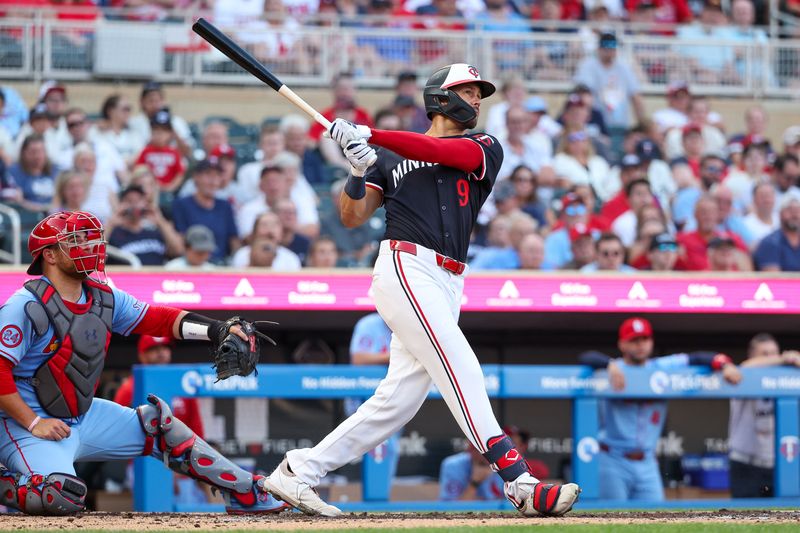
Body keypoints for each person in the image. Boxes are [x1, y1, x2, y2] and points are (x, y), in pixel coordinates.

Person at [262, 63, 580, 518]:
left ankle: (298, 472)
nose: (475, 100)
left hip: (449, 280)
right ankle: (521, 483)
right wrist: (357, 167)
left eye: (478, 94)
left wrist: (371, 133)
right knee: (460, 363)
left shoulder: (484, 145)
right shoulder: (388, 158)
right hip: (406, 266)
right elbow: (353, 215)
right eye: (467, 91)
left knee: (397, 402)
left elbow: (439, 151)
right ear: (439, 96)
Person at [0, 211, 286, 515]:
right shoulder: (25, 304)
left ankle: (246, 491)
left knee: (157, 426)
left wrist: (215, 330)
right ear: (50, 256)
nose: (88, 246)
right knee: (60, 497)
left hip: (81, 415)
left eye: (89, 238)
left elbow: (157, 319)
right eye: (74, 241)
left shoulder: (103, 296)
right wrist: (34, 422)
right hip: (25, 424)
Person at [579, 317, 742, 501]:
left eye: (645, 339)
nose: (640, 345)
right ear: (622, 344)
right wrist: (609, 364)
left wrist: (725, 364)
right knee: (609, 521)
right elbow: (586, 357)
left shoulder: (662, 367)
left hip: (647, 462)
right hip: (612, 459)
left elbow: (697, 357)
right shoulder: (613, 367)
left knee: (654, 518)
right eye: (634, 340)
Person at [728, 333, 800, 498]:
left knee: (784, 518)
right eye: (765, 354)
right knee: (744, 519)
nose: (772, 358)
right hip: (746, 464)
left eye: (774, 353)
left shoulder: (788, 377)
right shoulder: (743, 375)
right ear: (754, 355)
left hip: (780, 464)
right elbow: (746, 367)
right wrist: (783, 359)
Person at [753, 194, 800, 272]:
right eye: (790, 210)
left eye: (798, 211)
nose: (794, 215)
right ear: (780, 214)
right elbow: (773, 278)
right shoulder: (770, 242)